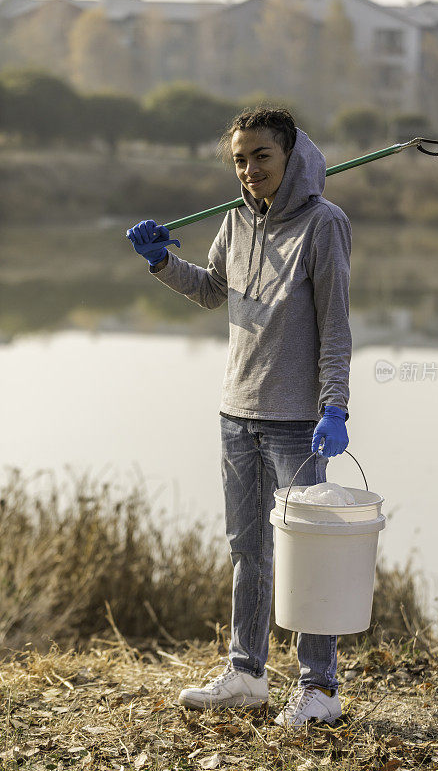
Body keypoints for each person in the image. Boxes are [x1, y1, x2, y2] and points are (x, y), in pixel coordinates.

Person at [127, 107, 352, 727]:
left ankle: (320, 687)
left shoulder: (324, 224)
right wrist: (160, 263)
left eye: (262, 157)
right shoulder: (233, 220)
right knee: (247, 551)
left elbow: (335, 325)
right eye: (239, 160)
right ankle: (247, 674)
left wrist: (335, 405)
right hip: (237, 410)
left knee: (306, 555)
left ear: (291, 157)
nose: (249, 170)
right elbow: (211, 290)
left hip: (297, 421)